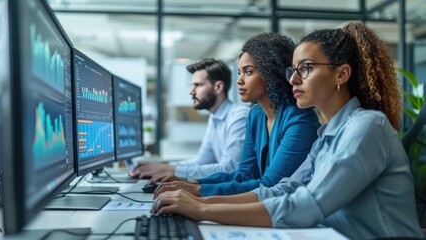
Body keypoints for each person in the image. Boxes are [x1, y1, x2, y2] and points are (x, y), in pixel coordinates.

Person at [152, 22, 424, 239]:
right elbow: (285, 189)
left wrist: (200, 208)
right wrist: (199, 203)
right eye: (293, 70)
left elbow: (307, 205)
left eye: (305, 68)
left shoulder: (366, 128)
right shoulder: (326, 135)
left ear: (341, 74)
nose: (293, 79)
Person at [152, 32, 320, 197]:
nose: (239, 80)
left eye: (248, 72)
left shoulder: (300, 119)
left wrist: (198, 191)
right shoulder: (256, 116)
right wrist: (192, 183)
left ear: (271, 73)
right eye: (240, 73)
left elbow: (270, 184)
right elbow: (244, 175)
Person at [129, 58, 249, 180]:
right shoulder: (215, 117)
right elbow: (203, 160)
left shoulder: (239, 117)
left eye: (198, 85)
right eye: (192, 85)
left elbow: (230, 169)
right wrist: (164, 167)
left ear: (218, 87)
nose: (191, 92)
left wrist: (172, 170)